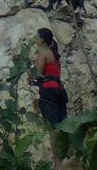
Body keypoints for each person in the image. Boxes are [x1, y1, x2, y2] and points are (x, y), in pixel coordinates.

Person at [28, 27, 68, 169]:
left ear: (42, 39)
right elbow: (53, 75)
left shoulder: (43, 53)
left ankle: (58, 164)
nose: (35, 38)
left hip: (48, 92)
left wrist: (29, 73)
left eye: (36, 36)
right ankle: (67, 159)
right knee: (62, 125)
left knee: (53, 129)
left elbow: (37, 75)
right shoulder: (55, 57)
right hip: (60, 91)